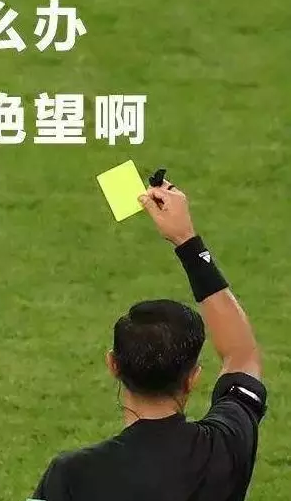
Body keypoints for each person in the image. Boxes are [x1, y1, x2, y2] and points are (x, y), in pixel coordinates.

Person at [29, 178, 267, 501]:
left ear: (113, 364)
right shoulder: (225, 447)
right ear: (193, 378)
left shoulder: (72, 475)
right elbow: (242, 354)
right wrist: (187, 241)